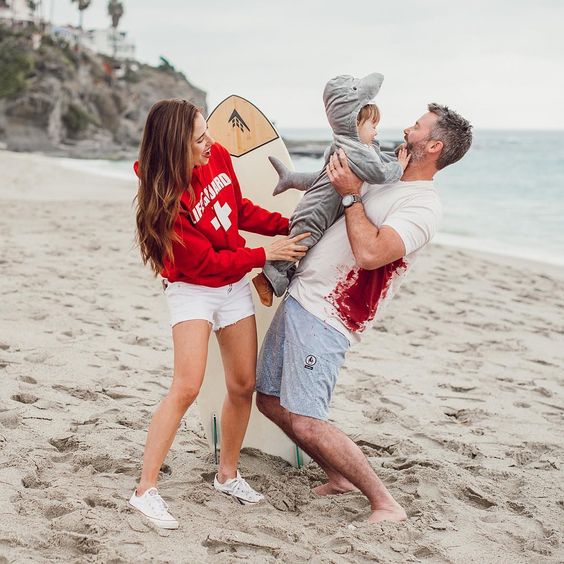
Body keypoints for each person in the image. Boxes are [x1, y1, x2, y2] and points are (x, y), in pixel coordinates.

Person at [255, 103, 472, 524]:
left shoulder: (423, 207)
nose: (406, 128)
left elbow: (372, 254)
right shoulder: (386, 173)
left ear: (433, 145)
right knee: (268, 400)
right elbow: (330, 190)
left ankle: (385, 503)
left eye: (417, 126)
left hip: (329, 314)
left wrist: (352, 193)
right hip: (303, 295)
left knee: (306, 421)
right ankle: (339, 477)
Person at [128, 99, 309, 529]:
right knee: (186, 387)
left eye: (207, 133)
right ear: (175, 149)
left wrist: (284, 226)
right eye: (199, 139)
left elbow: (237, 209)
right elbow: (205, 262)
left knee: (242, 384)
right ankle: (145, 490)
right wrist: (263, 254)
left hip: (231, 285)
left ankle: (227, 475)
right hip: (193, 288)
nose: (210, 143)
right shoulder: (166, 203)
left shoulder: (218, 156)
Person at [252, 73, 410, 306]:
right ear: (355, 123)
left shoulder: (343, 144)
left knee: (300, 244)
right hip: (316, 212)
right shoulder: (355, 151)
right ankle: (267, 276)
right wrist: (399, 166)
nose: (377, 131)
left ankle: (278, 275)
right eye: (373, 125)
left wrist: (292, 179)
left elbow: (322, 178)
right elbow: (379, 173)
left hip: (314, 206)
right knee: (300, 244)